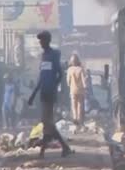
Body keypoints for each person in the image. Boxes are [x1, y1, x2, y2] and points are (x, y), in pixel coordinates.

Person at [27, 30, 72, 158]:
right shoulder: (43, 56)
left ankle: (63, 147)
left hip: (50, 92)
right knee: (47, 123)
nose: (40, 42)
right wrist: (33, 94)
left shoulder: (54, 54)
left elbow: (60, 74)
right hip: (43, 92)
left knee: (47, 122)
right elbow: (41, 78)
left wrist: (55, 86)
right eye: (40, 40)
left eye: (42, 40)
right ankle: (45, 151)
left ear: (48, 41)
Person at [67, 54, 87, 128]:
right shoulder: (80, 69)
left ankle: (75, 118)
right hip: (80, 90)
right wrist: (85, 88)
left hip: (73, 90)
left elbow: (68, 81)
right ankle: (79, 118)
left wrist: (69, 85)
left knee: (73, 104)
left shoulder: (70, 69)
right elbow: (83, 80)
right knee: (80, 105)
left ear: (71, 62)